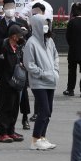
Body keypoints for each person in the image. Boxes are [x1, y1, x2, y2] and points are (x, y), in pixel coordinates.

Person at [24, 14, 59, 150]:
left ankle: (42, 137)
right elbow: (29, 64)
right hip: (38, 82)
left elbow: (55, 56)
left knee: (48, 111)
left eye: (47, 23)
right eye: (43, 23)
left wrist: (55, 71)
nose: (46, 26)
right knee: (43, 110)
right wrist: (43, 73)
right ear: (37, 25)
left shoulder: (49, 40)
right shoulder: (31, 43)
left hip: (51, 80)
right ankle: (35, 139)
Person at [0, 25, 27, 143]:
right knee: (6, 108)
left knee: (15, 108)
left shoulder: (17, 48)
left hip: (16, 83)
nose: (21, 38)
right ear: (14, 36)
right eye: (19, 36)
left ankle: (11, 131)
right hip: (6, 83)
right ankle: (2, 133)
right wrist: (0, 80)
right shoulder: (4, 48)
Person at [64, 3, 81, 98]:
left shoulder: (71, 22)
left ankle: (70, 89)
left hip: (74, 51)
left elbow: (68, 37)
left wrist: (72, 44)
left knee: (72, 71)